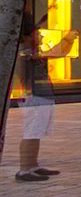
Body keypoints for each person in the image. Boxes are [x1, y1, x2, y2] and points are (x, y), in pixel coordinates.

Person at [14, 11, 74, 182]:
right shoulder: (25, 52)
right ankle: (25, 169)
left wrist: (67, 41)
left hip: (40, 96)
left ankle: (33, 165)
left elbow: (57, 53)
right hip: (33, 96)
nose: (40, 37)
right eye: (37, 34)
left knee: (36, 132)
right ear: (27, 37)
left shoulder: (30, 51)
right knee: (31, 132)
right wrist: (67, 40)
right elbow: (56, 52)